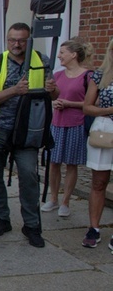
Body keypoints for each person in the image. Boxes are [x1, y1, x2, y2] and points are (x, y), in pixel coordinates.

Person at [0, 23, 58, 248]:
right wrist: (14, 90)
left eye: (22, 40)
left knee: (28, 176)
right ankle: (2, 218)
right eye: (12, 40)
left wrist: (52, 89)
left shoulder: (41, 60)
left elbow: (54, 95)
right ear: (7, 40)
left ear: (29, 40)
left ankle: (32, 226)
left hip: (27, 131)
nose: (16, 44)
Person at [43, 39, 91, 219]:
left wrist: (70, 104)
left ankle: (66, 201)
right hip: (56, 123)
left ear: (73, 55)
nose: (59, 56)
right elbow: (51, 96)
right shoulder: (58, 75)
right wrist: (53, 100)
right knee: (54, 162)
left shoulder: (88, 76)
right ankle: (53, 198)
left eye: (63, 52)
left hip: (76, 124)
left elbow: (92, 102)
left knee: (71, 164)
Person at [82, 37, 113, 250]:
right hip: (104, 130)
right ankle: (94, 228)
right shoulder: (100, 75)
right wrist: (109, 110)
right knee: (99, 182)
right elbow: (87, 107)